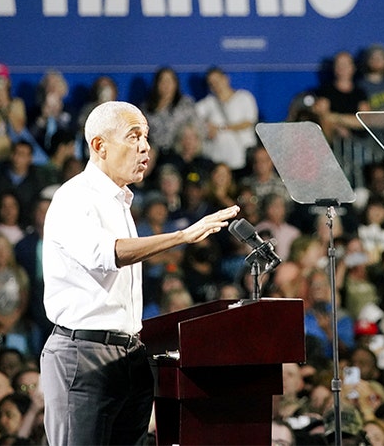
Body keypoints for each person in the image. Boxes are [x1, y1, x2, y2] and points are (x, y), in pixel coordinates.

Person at [39, 100, 239, 444]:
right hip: (84, 357)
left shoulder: (121, 202)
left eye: (145, 136)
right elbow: (108, 254)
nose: (145, 146)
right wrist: (181, 236)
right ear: (99, 145)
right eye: (133, 137)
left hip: (129, 356)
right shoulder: (74, 198)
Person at [195, 66, 259, 172]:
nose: (216, 85)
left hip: (242, 157)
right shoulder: (208, 103)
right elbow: (192, 119)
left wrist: (221, 128)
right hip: (217, 160)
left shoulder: (244, 97)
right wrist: (205, 128)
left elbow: (248, 122)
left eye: (217, 81)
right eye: (211, 83)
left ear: (226, 79)